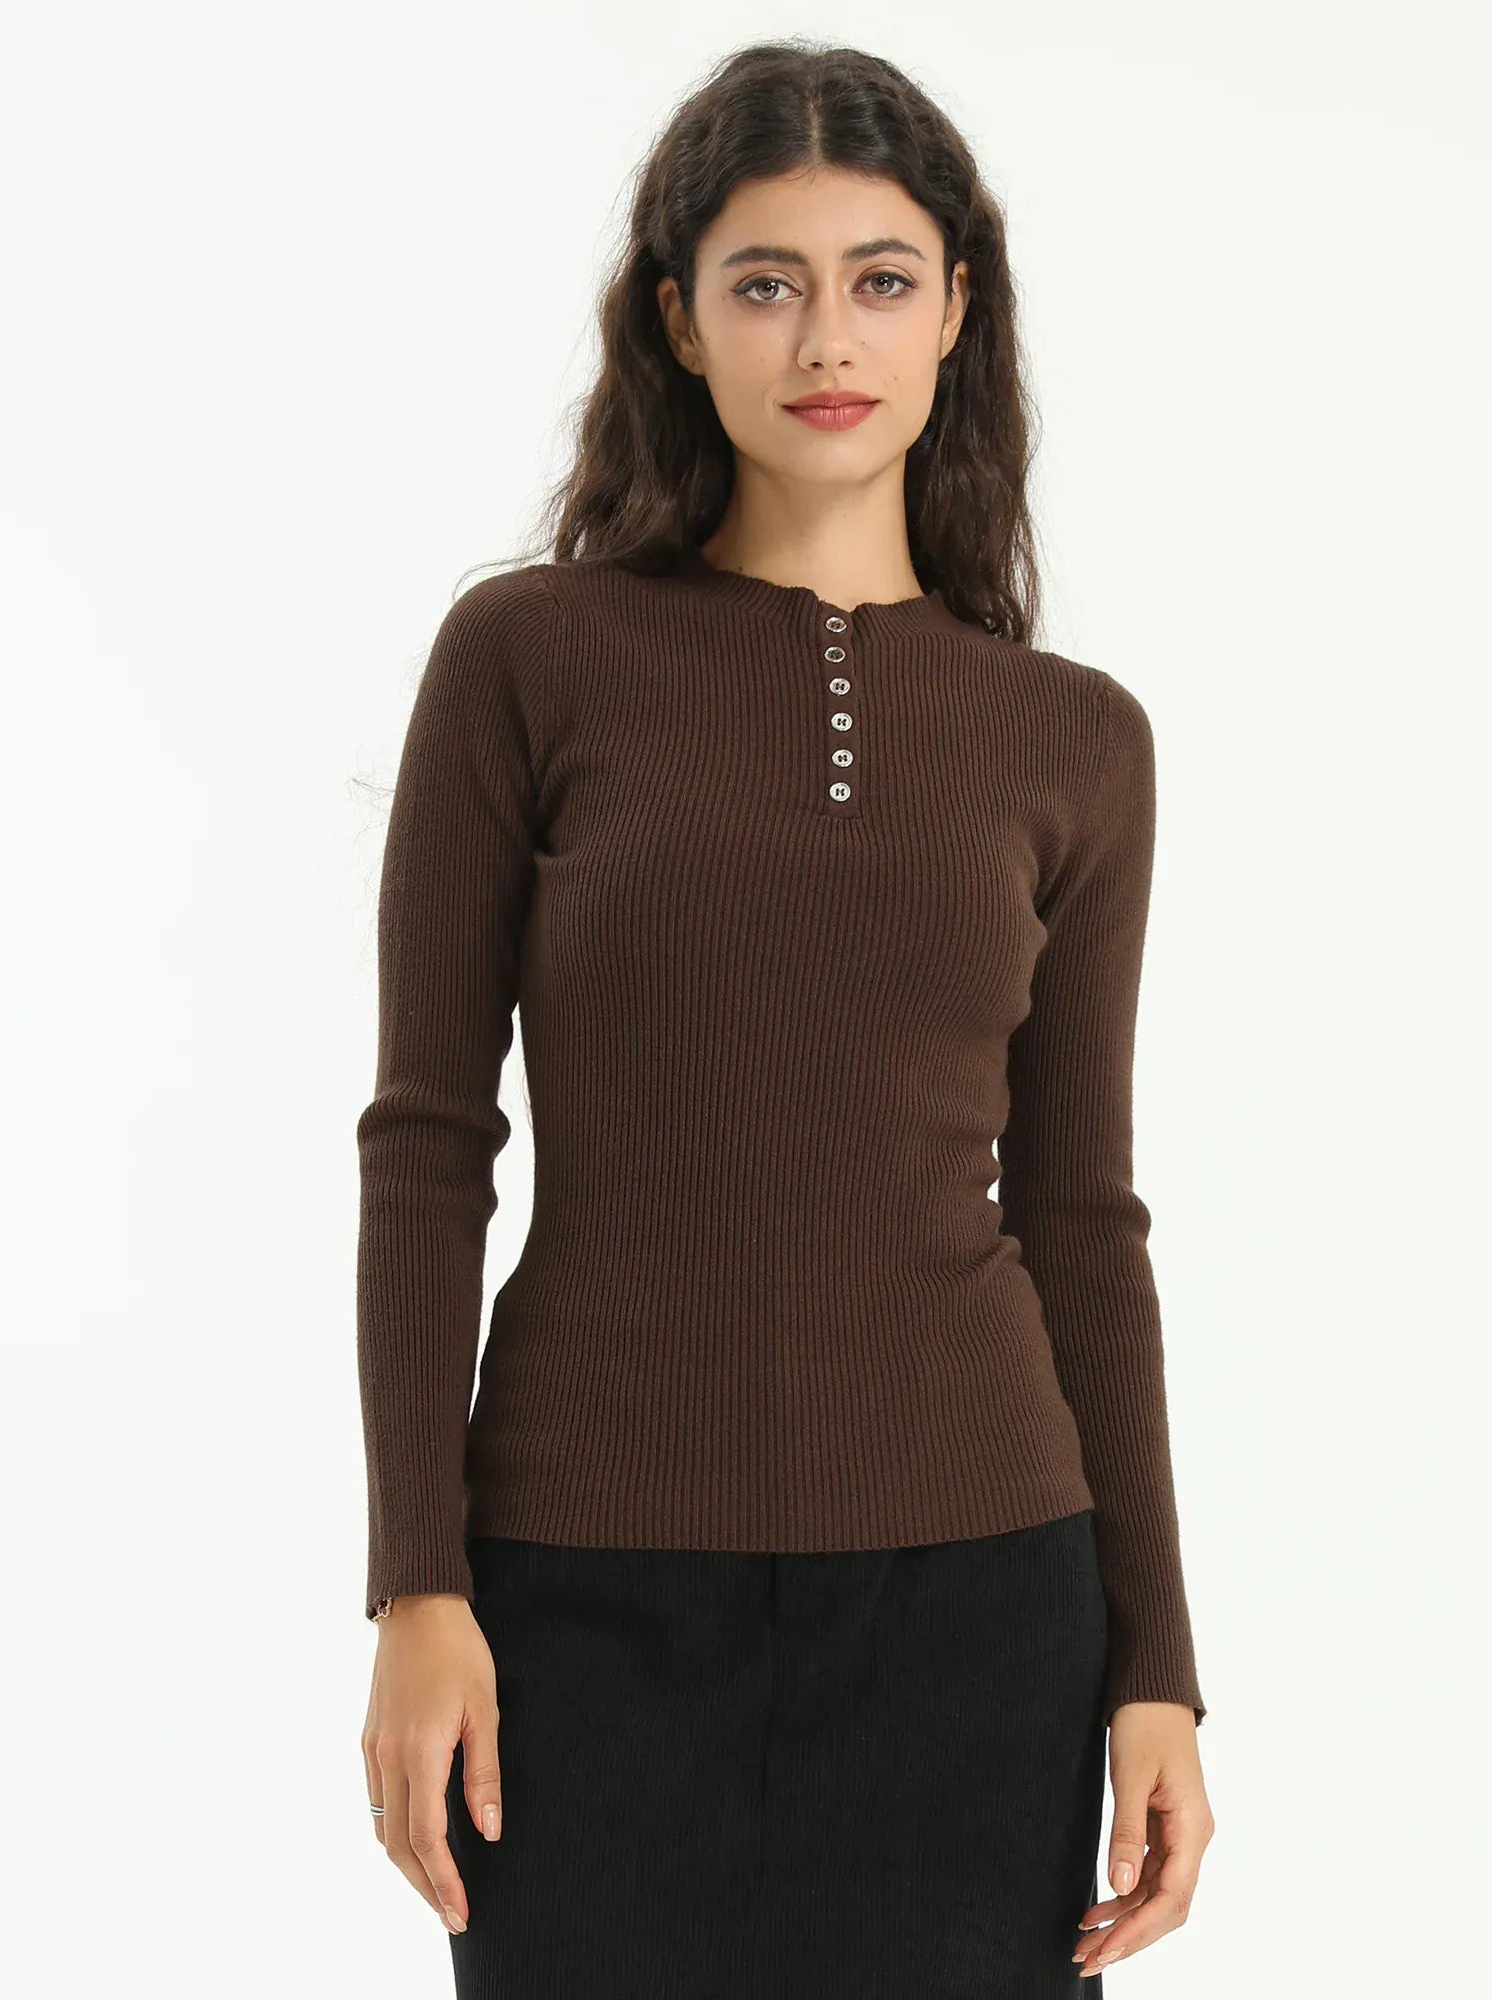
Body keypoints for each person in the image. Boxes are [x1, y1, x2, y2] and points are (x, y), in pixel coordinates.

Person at [355, 39, 1215, 1995]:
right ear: (677, 318)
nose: (827, 335)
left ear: (956, 308)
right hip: (579, 1605)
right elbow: (428, 1142)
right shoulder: (530, 659)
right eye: (765, 281)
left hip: (982, 1614)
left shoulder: (1072, 740)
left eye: (879, 277)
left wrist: (1156, 1666)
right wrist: (416, 1582)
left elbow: (1081, 1220)